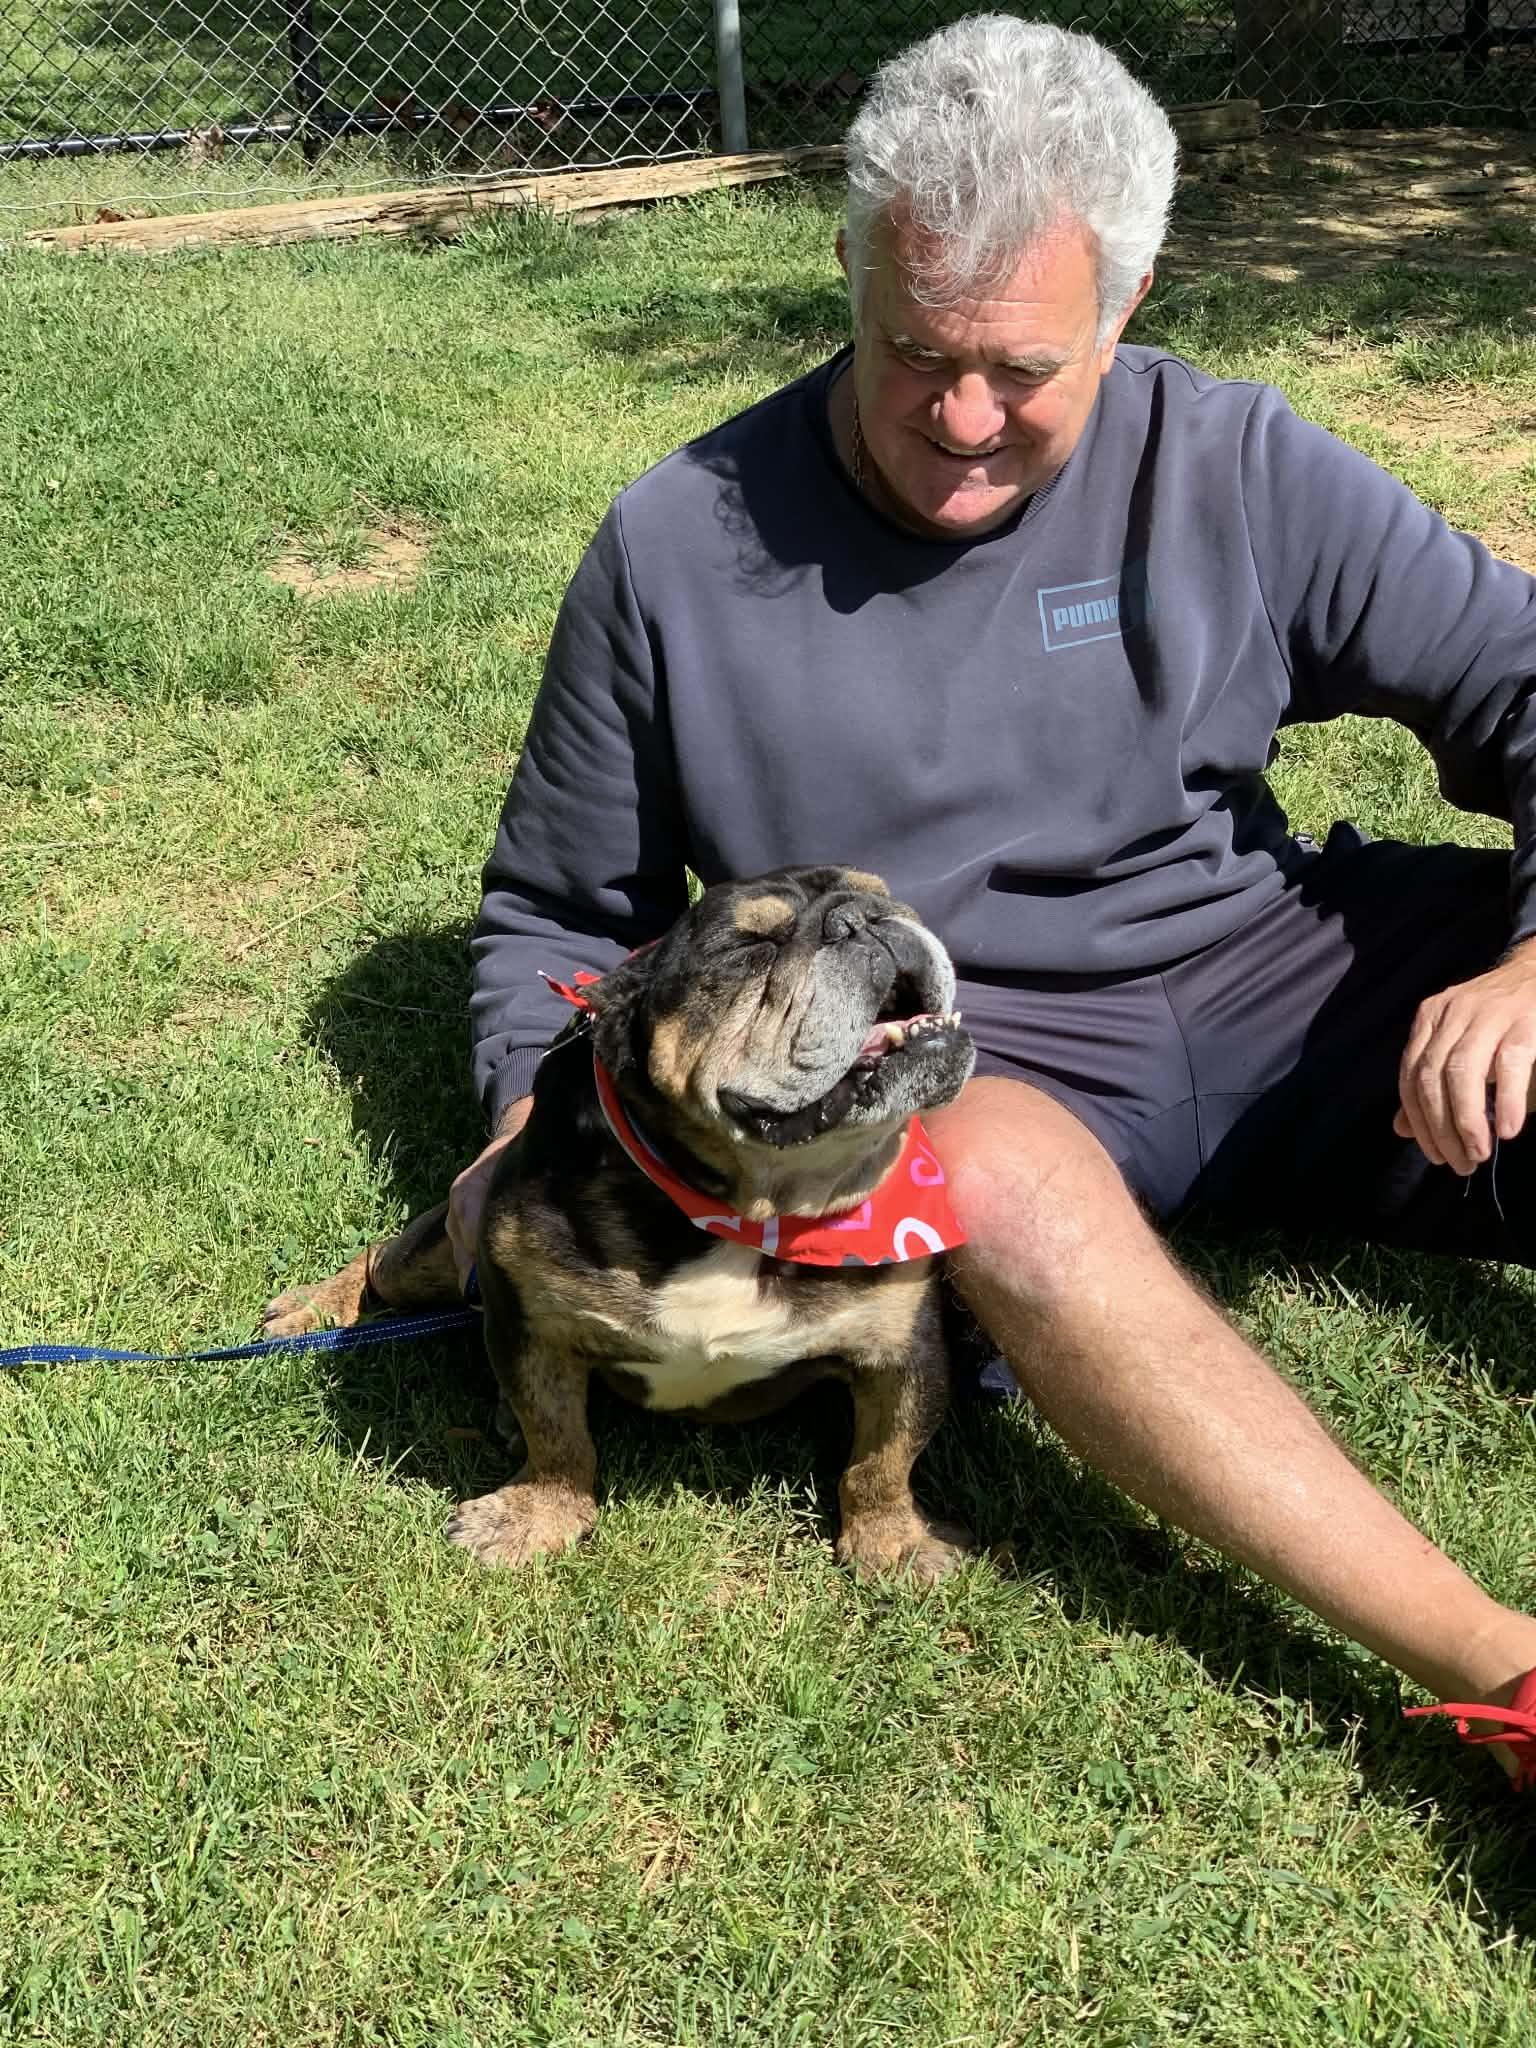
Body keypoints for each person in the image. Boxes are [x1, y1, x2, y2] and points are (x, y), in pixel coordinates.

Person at [449, 16, 1536, 1784]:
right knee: (1005, 1174)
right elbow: (559, 914)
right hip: (969, 1051)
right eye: (910, 354)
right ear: (853, 268)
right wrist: (520, 1115)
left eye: (1020, 370)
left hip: (1268, 964)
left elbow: (1523, 679)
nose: (959, 422)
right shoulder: (675, 545)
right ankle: (1501, 1672)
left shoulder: (1234, 460)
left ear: (1130, 296)